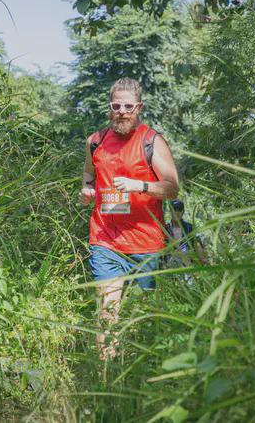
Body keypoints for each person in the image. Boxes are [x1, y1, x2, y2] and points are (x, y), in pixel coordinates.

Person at [78, 77, 180, 359]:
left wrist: (140, 186)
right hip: (105, 240)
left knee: (146, 318)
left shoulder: (152, 141)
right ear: (109, 107)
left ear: (139, 108)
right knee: (106, 315)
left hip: (146, 243)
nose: (122, 111)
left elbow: (172, 189)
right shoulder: (95, 141)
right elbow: (89, 174)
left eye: (128, 106)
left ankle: (143, 376)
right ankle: (104, 377)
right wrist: (87, 190)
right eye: (116, 105)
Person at [164, 199, 205, 268]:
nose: (176, 213)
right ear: (170, 211)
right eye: (174, 209)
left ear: (183, 212)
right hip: (169, 268)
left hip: (187, 268)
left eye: (179, 210)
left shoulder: (190, 227)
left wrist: (206, 265)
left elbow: (198, 247)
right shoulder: (165, 228)